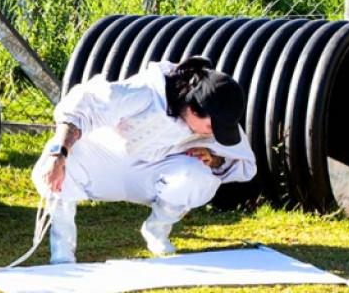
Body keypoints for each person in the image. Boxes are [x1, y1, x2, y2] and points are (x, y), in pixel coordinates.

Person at [33, 57, 257, 261]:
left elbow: (239, 162)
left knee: (197, 175)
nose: (213, 133)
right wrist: (59, 155)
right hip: (103, 162)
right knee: (63, 160)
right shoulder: (145, 92)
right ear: (192, 108)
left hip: (151, 173)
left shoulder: (213, 118)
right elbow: (80, 109)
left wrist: (213, 159)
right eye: (210, 127)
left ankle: (157, 230)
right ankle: (62, 254)